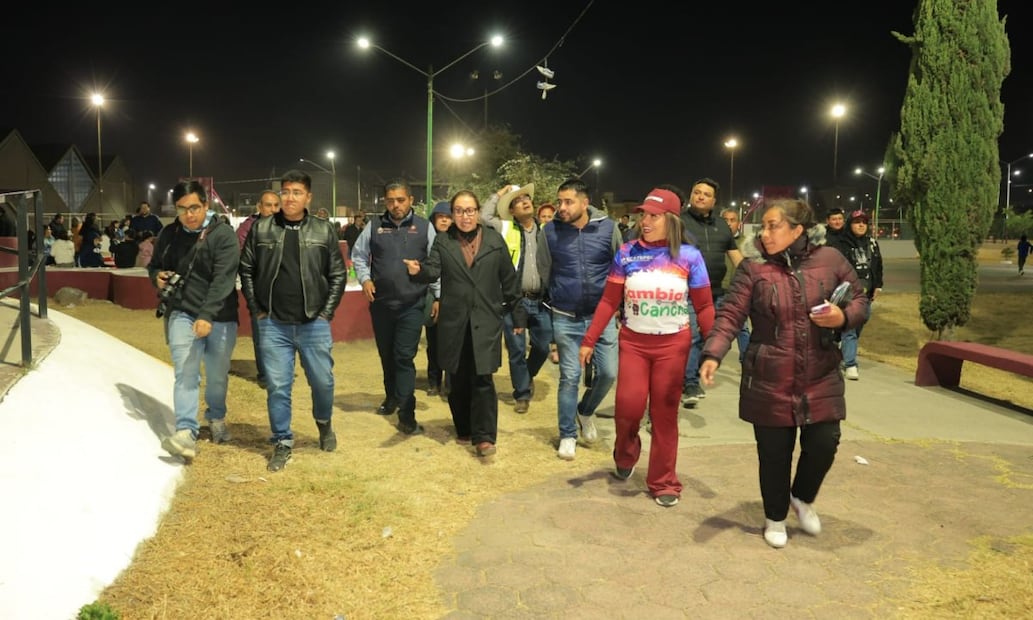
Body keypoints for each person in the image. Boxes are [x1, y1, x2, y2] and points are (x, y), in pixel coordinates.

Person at [699, 198, 868, 548]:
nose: (766, 232)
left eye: (774, 225)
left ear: (797, 230)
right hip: (770, 374)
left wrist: (842, 317)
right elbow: (730, 313)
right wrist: (713, 353)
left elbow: (859, 300)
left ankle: (802, 497)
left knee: (824, 442)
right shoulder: (752, 268)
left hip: (819, 370)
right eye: (764, 225)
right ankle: (774, 516)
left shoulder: (831, 260)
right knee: (775, 452)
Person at [579, 188, 714, 507]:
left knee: (664, 414)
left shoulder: (689, 257)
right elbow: (610, 301)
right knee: (628, 408)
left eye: (654, 216)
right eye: (643, 215)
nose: (645, 221)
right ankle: (625, 454)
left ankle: (664, 481)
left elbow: (705, 306)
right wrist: (589, 339)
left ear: (672, 220)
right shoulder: (626, 253)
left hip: (673, 345)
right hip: (635, 344)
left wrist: (714, 348)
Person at [239, 169, 347, 472]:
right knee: (278, 386)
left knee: (323, 382)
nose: (289, 197)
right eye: (285, 191)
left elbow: (337, 274)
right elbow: (246, 268)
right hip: (273, 323)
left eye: (296, 192)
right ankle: (282, 441)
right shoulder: (262, 230)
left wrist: (326, 312)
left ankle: (324, 424)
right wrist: (257, 307)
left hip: (314, 323)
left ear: (308, 197)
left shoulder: (323, 230)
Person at [403, 190, 522, 456]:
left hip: (486, 319)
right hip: (454, 320)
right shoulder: (443, 242)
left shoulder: (493, 239)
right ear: (452, 214)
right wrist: (418, 270)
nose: (464, 216)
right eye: (458, 211)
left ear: (478, 212)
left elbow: (509, 279)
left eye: (469, 211)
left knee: (483, 377)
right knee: (456, 378)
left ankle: (484, 436)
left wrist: (518, 314)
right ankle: (464, 428)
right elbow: (433, 269)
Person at [148, 180, 240, 462]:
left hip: (220, 316)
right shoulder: (169, 234)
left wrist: (207, 315)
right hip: (181, 312)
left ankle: (216, 416)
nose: (189, 214)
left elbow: (223, 280)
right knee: (186, 373)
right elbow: (154, 264)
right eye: (182, 209)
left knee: (216, 375)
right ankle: (186, 431)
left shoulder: (223, 235)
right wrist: (157, 277)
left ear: (206, 205)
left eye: (195, 208)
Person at [538, 177, 622, 460]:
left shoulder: (609, 229)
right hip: (565, 317)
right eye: (559, 201)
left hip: (602, 317)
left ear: (585, 203)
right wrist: (559, 297)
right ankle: (567, 435)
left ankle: (585, 411)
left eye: (568, 202)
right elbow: (544, 270)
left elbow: (618, 269)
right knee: (570, 377)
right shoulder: (549, 232)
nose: (561, 207)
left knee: (609, 372)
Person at [351, 179, 438, 435]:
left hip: (412, 304)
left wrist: (438, 296)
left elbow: (435, 264)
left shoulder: (424, 227)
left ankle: (407, 413)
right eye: (390, 200)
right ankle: (391, 397)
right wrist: (365, 278)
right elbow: (358, 254)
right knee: (387, 355)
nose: (396, 205)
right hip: (381, 305)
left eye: (400, 200)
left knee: (403, 356)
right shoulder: (375, 226)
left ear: (410, 200)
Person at [481, 183, 552, 414]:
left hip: (541, 301)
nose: (524, 201)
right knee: (516, 350)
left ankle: (528, 374)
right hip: (513, 303)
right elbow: (483, 217)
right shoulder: (505, 228)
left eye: (526, 198)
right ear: (511, 211)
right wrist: (500, 193)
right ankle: (521, 393)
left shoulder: (547, 231)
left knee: (542, 346)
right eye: (517, 200)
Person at [680, 179, 743, 406]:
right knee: (693, 337)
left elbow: (735, 256)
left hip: (717, 292)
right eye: (697, 192)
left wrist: (755, 278)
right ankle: (689, 384)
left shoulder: (722, 225)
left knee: (711, 337)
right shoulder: (679, 222)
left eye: (706, 194)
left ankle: (688, 377)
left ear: (714, 200)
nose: (700, 197)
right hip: (688, 292)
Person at [826, 209, 883, 380]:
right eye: (857, 222)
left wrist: (878, 285)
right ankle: (850, 364)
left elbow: (878, 265)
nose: (861, 225)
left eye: (864, 222)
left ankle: (839, 345)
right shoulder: (841, 243)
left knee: (861, 321)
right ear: (850, 225)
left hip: (867, 292)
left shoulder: (872, 243)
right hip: (848, 293)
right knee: (850, 327)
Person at [236, 189, 281, 388]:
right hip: (258, 290)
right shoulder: (247, 228)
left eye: (275, 205)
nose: (272, 209)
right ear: (259, 207)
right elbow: (243, 261)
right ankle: (264, 375)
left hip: (282, 290)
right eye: (268, 205)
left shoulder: (286, 226)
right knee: (262, 332)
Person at [424, 202, 452, 397]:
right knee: (434, 342)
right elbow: (430, 272)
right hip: (434, 296)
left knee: (453, 343)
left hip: (455, 300)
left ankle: (450, 382)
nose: (444, 219)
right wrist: (437, 297)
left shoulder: (459, 240)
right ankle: (434, 381)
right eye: (439, 216)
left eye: (448, 216)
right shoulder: (427, 240)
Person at [719, 207, 752, 364]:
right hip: (716, 290)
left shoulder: (747, 243)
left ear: (739, 223)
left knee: (742, 328)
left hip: (738, 293)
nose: (729, 223)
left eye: (733, 220)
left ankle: (746, 359)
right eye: (725, 220)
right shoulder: (714, 240)